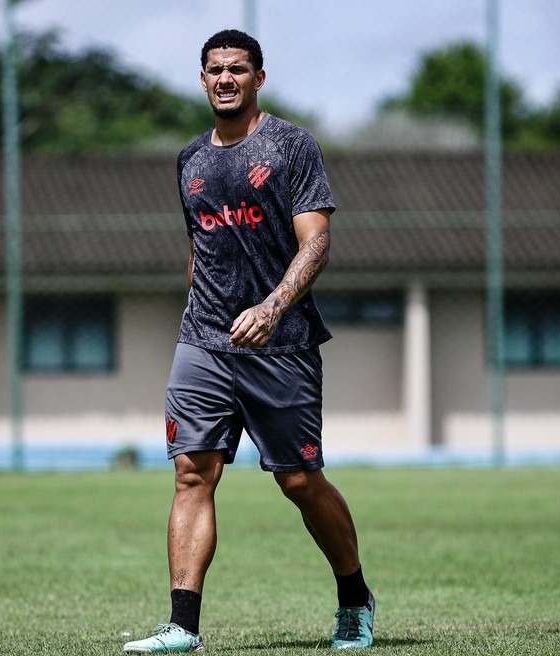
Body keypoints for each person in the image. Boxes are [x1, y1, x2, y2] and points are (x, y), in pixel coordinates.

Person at [122, 29, 374, 653]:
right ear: (203, 78)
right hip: (204, 341)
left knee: (299, 481)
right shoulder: (189, 161)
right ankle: (182, 626)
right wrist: (196, 321)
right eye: (215, 70)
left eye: (238, 68)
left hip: (280, 343)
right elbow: (198, 250)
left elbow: (316, 239)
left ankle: (355, 599)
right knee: (191, 474)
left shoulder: (292, 146)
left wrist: (273, 305)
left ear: (259, 77)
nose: (226, 78)